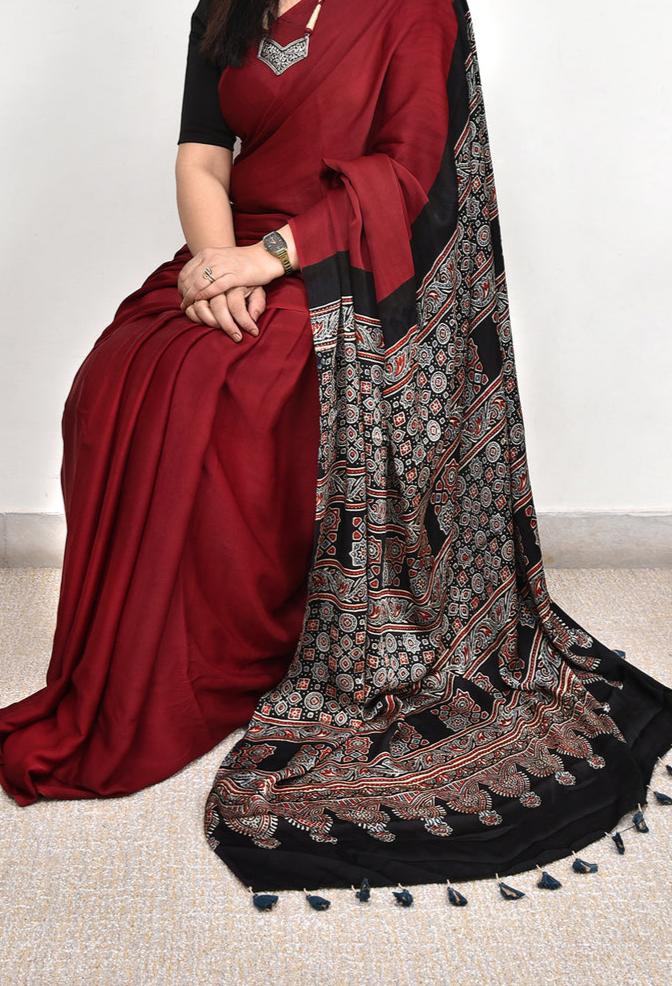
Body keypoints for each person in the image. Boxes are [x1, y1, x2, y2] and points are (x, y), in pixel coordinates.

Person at [2, 0, 672, 904]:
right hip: (234, 255)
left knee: (236, 389)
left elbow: (407, 170)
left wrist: (269, 258)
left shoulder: (413, 8)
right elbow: (203, 156)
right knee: (117, 377)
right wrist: (216, 268)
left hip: (354, 262)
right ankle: (159, 657)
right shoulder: (225, 8)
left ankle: (244, 646)